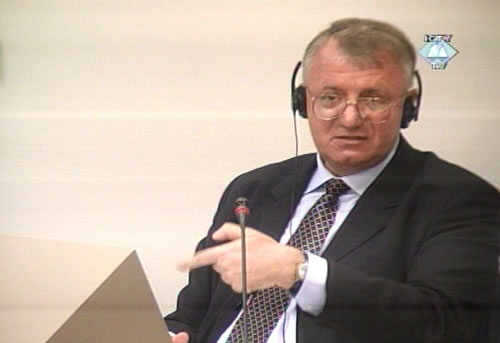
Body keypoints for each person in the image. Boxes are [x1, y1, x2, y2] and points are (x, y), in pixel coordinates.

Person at [165, 18, 499, 343]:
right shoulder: (253, 189)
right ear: (303, 102)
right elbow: (193, 317)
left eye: (374, 99)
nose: (350, 118)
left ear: (408, 107)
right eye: (330, 98)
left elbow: (448, 326)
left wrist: (300, 271)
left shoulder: (457, 200)